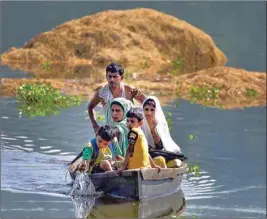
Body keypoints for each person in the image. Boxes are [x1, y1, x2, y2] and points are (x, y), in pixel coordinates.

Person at [88, 62, 146, 134]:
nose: (112, 80)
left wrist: (139, 94)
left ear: (121, 78)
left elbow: (147, 103)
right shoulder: (102, 93)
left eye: (115, 77)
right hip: (110, 132)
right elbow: (90, 107)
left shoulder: (129, 90)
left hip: (129, 131)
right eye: (109, 76)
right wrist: (95, 126)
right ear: (106, 77)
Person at [141, 96, 182, 168]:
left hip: (156, 152)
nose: (149, 113)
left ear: (155, 111)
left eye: (152, 110)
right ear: (143, 109)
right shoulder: (138, 121)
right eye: (146, 109)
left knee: (174, 160)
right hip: (143, 152)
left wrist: (153, 130)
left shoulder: (159, 123)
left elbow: (159, 147)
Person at [118, 107, 161, 173]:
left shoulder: (133, 132)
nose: (129, 124)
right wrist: (153, 165)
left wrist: (123, 167)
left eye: (132, 121)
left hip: (134, 166)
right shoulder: (141, 132)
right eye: (127, 121)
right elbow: (146, 152)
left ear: (140, 123)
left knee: (115, 164)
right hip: (145, 166)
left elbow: (129, 150)